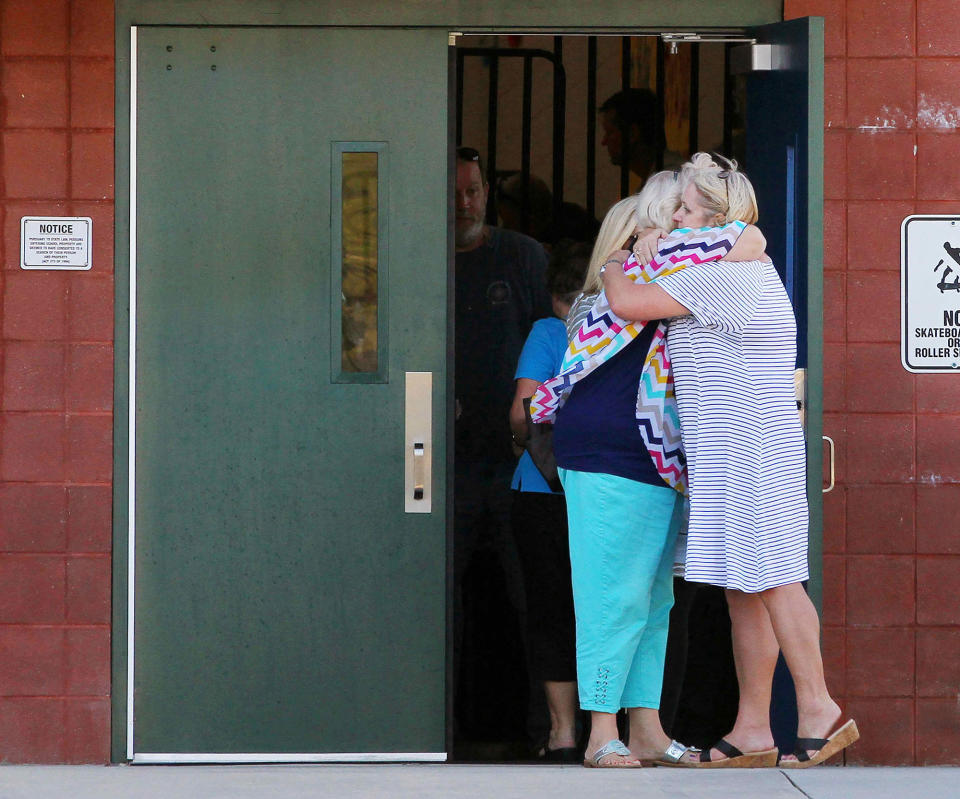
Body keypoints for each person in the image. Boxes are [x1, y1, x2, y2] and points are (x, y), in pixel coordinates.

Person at [601, 153, 858, 769]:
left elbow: (624, 301)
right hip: (728, 450)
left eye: (687, 209)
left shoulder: (725, 275)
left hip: (751, 448)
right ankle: (752, 726)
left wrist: (624, 250)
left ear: (718, 219)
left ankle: (819, 707)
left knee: (773, 576)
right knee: (745, 589)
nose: (678, 220)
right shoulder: (724, 266)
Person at [535, 173, 747, 769]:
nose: (685, 220)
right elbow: (743, 241)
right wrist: (635, 251)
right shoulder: (632, 277)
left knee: (654, 602)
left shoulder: (672, 270)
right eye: (676, 211)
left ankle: (647, 729)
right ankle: (602, 732)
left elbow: (744, 241)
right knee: (613, 598)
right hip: (607, 455)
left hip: (653, 456)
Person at [453, 145, 553, 747]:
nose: (463, 202)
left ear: (488, 191)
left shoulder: (521, 257)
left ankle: (550, 733)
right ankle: (428, 732)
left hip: (520, 464)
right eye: (453, 191)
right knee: (436, 602)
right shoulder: (417, 254)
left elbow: (556, 341)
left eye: (472, 190)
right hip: (436, 464)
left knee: (532, 598)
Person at [508, 240, 591, 763]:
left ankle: (562, 735)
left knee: (550, 608)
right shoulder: (632, 328)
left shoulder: (548, 332)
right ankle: (621, 730)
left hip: (541, 489)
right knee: (613, 608)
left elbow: (522, 411)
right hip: (611, 486)